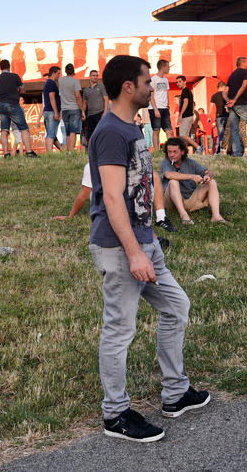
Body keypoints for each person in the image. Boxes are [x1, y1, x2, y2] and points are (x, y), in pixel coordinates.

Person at [87, 54, 209, 443]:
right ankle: (115, 414)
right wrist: (135, 251)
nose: (152, 89)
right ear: (128, 87)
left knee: (177, 307)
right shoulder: (110, 132)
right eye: (147, 83)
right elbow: (111, 198)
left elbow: (142, 185)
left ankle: (175, 394)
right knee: (120, 329)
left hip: (143, 241)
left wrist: (152, 235)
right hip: (121, 247)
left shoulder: (133, 128)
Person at [55, 162, 177, 236]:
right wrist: (70, 216)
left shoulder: (126, 161)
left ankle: (161, 218)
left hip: (124, 201)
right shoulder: (91, 166)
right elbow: (84, 195)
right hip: (107, 203)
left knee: (153, 175)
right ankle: (149, 239)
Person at [160, 138, 227, 225]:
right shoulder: (166, 162)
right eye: (169, 152)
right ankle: (184, 216)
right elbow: (168, 175)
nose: (171, 155)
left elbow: (210, 172)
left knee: (212, 182)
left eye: (175, 152)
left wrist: (208, 176)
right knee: (173, 181)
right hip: (170, 201)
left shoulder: (191, 163)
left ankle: (216, 216)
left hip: (189, 199)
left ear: (182, 152)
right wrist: (192, 176)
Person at [0, 59, 36, 158]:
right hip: (13, 104)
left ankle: (6, 154)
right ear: (9, 66)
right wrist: (18, 91)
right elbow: (23, 89)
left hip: (2, 105)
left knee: (4, 130)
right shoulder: (14, 76)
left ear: (0, 68)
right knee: (24, 128)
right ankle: (29, 152)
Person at [226, 57, 247, 157]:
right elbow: (244, 85)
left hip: (233, 106)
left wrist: (229, 101)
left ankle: (236, 153)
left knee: (234, 129)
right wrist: (235, 99)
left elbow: (226, 90)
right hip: (242, 103)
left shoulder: (232, 75)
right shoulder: (246, 72)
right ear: (243, 63)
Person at [58, 63, 85, 152]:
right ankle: (72, 151)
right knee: (73, 131)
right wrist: (82, 110)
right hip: (74, 108)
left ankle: (68, 151)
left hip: (65, 109)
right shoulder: (75, 81)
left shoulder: (60, 81)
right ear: (73, 71)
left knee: (68, 132)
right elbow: (78, 96)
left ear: (65, 71)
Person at [149, 59, 173, 150]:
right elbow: (151, 96)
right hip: (155, 108)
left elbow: (166, 94)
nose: (169, 68)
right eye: (167, 66)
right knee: (156, 130)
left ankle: (171, 150)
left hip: (165, 108)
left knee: (169, 131)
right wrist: (155, 109)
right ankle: (156, 151)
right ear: (163, 67)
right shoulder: (153, 79)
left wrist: (167, 105)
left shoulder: (166, 80)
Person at [174, 76, 199, 152]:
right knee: (184, 137)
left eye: (180, 81)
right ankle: (185, 152)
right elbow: (191, 104)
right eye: (177, 82)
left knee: (183, 135)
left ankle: (198, 147)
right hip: (189, 116)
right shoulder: (188, 91)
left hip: (186, 116)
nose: (178, 83)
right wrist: (191, 113)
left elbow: (186, 102)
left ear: (185, 82)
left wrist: (181, 114)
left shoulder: (185, 91)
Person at [42, 66, 63, 153]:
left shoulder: (50, 82)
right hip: (51, 112)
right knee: (51, 134)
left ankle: (64, 151)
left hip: (49, 111)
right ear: (53, 73)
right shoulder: (50, 83)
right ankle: (49, 154)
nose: (59, 75)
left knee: (52, 135)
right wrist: (56, 112)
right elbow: (52, 97)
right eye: (58, 73)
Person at [83, 69, 108, 141]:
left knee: (101, 133)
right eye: (93, 76)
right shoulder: (86, 90)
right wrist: (83, 112)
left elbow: (106, 99)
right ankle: (91, 151)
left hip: (100, 113)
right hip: (90, 115)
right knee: (91, 135)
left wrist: (105, 112)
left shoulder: (101, 86)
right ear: (90, 77)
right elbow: (84, 103)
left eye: (97, 76)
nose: (95, 77)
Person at [209, 81, 229, 154]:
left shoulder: (214, 96)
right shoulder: (227, 95)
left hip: (219, 117)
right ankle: (226, 151)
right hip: (227, 116)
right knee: (227, 135)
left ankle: (221, 151)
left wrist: (209, 116)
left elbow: (211, 107)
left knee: (221, 135)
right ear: (223, 87)